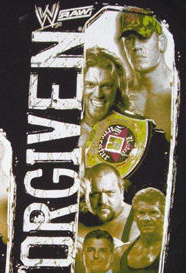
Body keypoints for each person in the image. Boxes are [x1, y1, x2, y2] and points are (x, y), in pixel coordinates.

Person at [81, 47, 169, 200]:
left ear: (118, 89)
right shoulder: (56, 131)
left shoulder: (147, 137)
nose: (98, 94)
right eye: (90, 85)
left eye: (106, 86)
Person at [119, 8, 173, 141]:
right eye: (130, 38)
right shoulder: (116, 94)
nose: (136, 46)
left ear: (161, 43)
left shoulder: (179, 92)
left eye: (143, 37)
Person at [113, 187, 165, 273]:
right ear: (135, 217)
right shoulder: (120, 253)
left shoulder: (173, 250)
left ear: (164, 215)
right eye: (141, 213)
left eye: (153, 212)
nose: (146, 219)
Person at [78, 163, 139, 243]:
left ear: (121, 191)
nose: (103, 200)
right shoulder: (84, 216)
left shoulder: (138, 222)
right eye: (95, 194)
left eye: (109, 192)